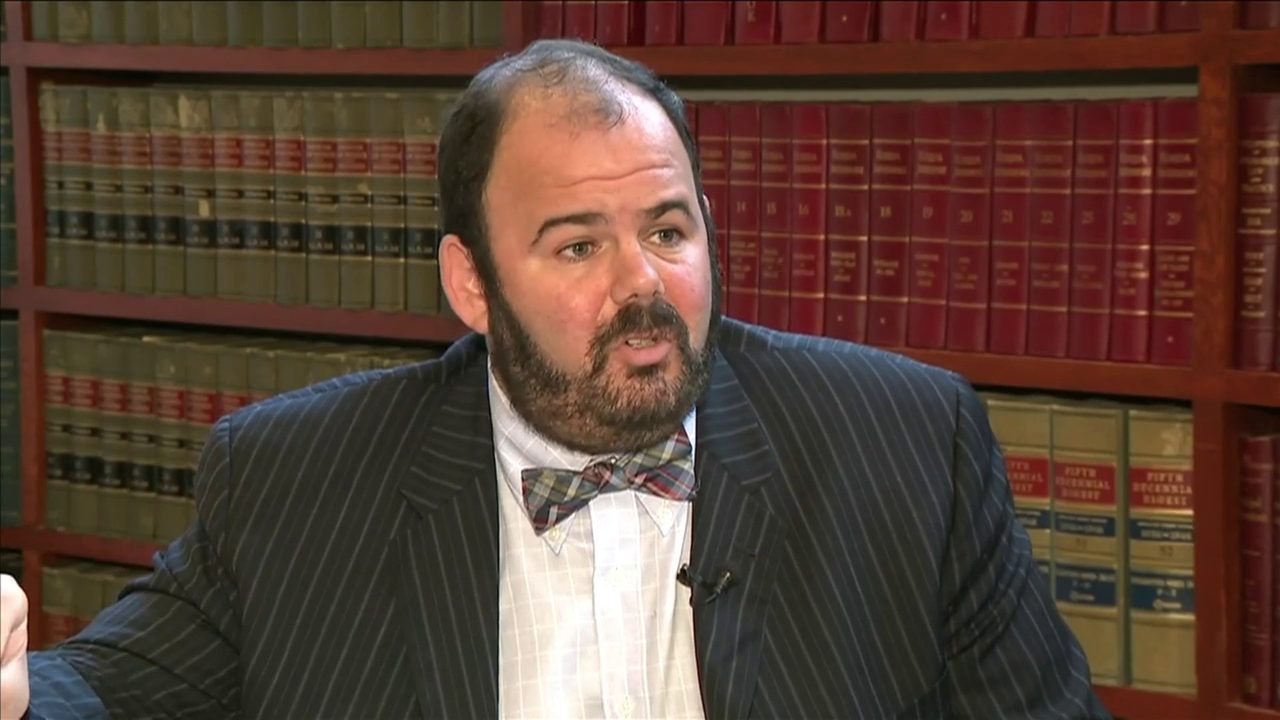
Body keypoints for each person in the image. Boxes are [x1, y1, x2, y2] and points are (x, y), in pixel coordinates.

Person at [0, 39, 1109, 719]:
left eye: (667, 230)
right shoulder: (299, 476)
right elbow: (104, 693)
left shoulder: (905, 443)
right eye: (577, 246)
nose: (644, 285)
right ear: (471, 284)